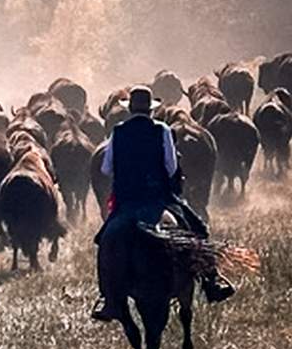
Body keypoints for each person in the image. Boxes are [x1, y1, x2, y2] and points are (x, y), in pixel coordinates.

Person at [90, 86, 235, 321]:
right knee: (199, 230)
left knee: (105, 242)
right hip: (159, 198)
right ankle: (212, 281)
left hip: (127, 202)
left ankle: (108, 299)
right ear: (150, 110)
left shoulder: (118, 131)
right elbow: (171, 168)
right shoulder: (163, 130)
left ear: (130, 110)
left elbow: (107, 168)